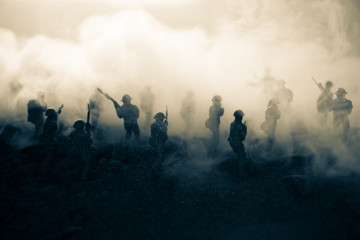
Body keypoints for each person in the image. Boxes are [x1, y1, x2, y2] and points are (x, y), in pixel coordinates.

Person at [40, 106, 62, 175]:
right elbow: (51, 132)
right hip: (48, 139)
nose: (56, 114)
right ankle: (44, 170)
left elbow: (57, 114)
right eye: (54, 113)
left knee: (52, 153)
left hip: (49, 138)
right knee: (50, 155)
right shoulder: (51, 121)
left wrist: (59, 109)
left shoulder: (50, 119)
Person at [228, 110, 248, 176]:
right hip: (237, 143)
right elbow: (243, 138)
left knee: (237, 154)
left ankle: (233, 168)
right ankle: (241, 173)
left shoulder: (232, 124)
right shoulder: (242, 126)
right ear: (240, 117)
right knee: (242, 157)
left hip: (231, 142)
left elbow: (231, 134)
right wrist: (244, 127)